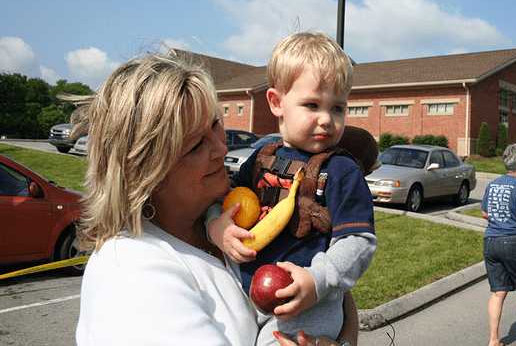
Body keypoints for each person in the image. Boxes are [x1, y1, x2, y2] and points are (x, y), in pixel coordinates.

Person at [74, 53, 358, 346]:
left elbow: (332, 285)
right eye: (197, 144)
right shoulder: (132, 272)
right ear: (146, 172)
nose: (222, 148)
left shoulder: (224, 219)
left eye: (215, 124)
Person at [208, 32, 376, 346]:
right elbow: (225, 201)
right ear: (276, 102)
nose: (327, 119)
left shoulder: (341, 170)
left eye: (338, 108)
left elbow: (358, 242)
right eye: (312, 105)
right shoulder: (261, 158)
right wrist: (216, 225)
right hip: (247, 290)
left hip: (308, 305)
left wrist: (317, 280)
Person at [481, 143, 516, 346]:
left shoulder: (493, 184)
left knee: (498, 292)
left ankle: (494, 339)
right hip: (515, 241)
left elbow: (485, 212)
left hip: (491, 241)